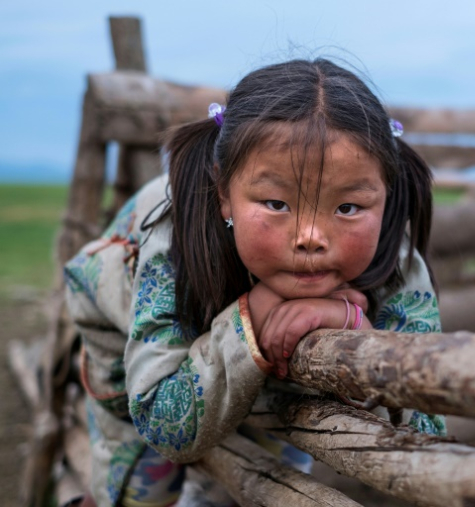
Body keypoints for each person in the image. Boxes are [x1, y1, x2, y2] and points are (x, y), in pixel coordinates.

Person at [64, 58, 445, 507]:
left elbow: (428, 428)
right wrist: (259, 312)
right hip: (122, 331)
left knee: (254, 475)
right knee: (140, 491)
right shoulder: (174, 237)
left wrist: (357, 331)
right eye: (275, 203)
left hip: (232, 356)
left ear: (385, 192)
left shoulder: (392, 253)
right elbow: (163, 421)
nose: (311, 238)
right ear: (224, 194)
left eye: (348, 209)